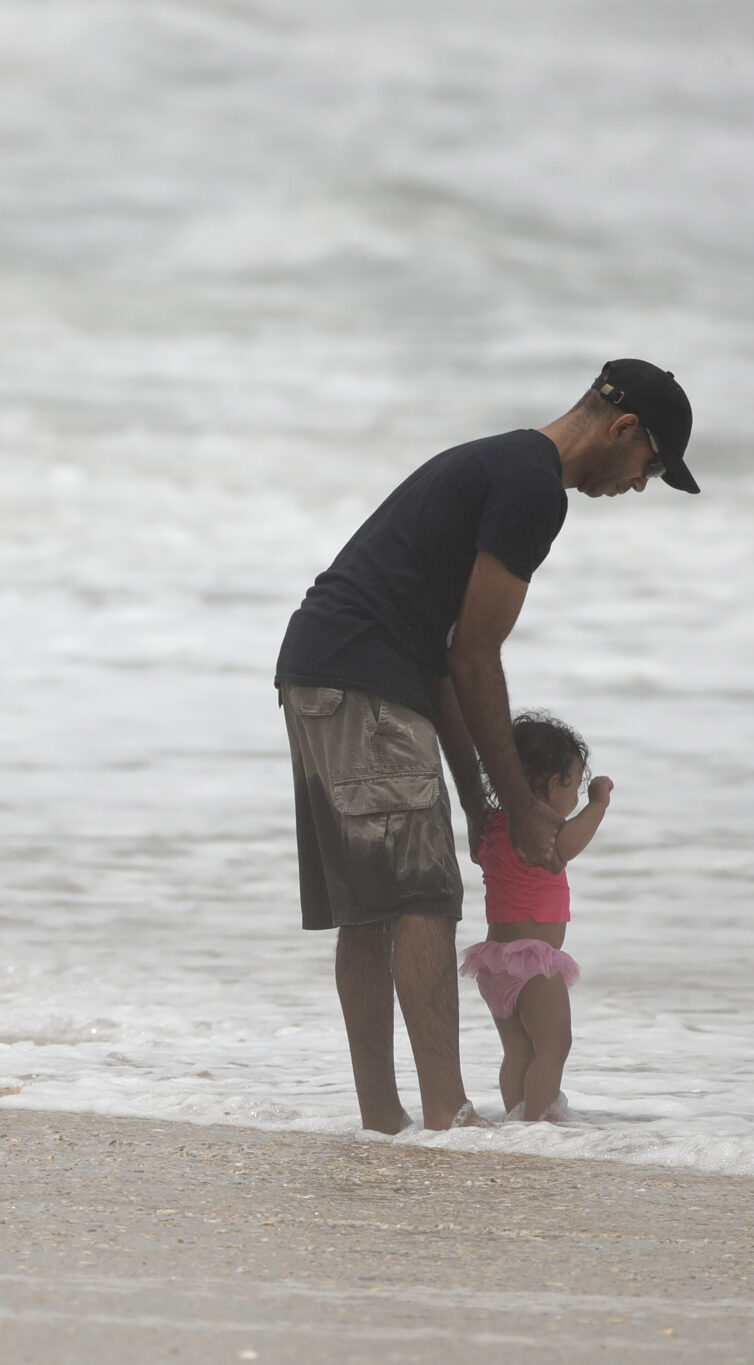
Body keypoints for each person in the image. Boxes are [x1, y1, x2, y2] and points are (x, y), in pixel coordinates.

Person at [274, 359, 694, 1132]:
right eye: (652, 467)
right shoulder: (534, 489)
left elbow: (442, 654)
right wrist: (525, 814)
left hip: (322, 669)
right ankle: (446, 1115)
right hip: (364, 678)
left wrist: (476, 797)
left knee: (367, 908)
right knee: (422, 897)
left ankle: (385, 1116)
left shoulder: (502, 462)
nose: (640, 485)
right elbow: (474, 654)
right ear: (623, 428)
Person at [460, 711, 609, 1123]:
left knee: (519, 1051)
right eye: (575, 786)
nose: (577, 796)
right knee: (554, 1046)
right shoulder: (538, 831)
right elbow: (568, 846)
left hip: (495, 963)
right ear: (549, 785)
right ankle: (538, 1124)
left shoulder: (491, 825)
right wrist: (599, 803)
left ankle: (518, 1118)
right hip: (532, 963)